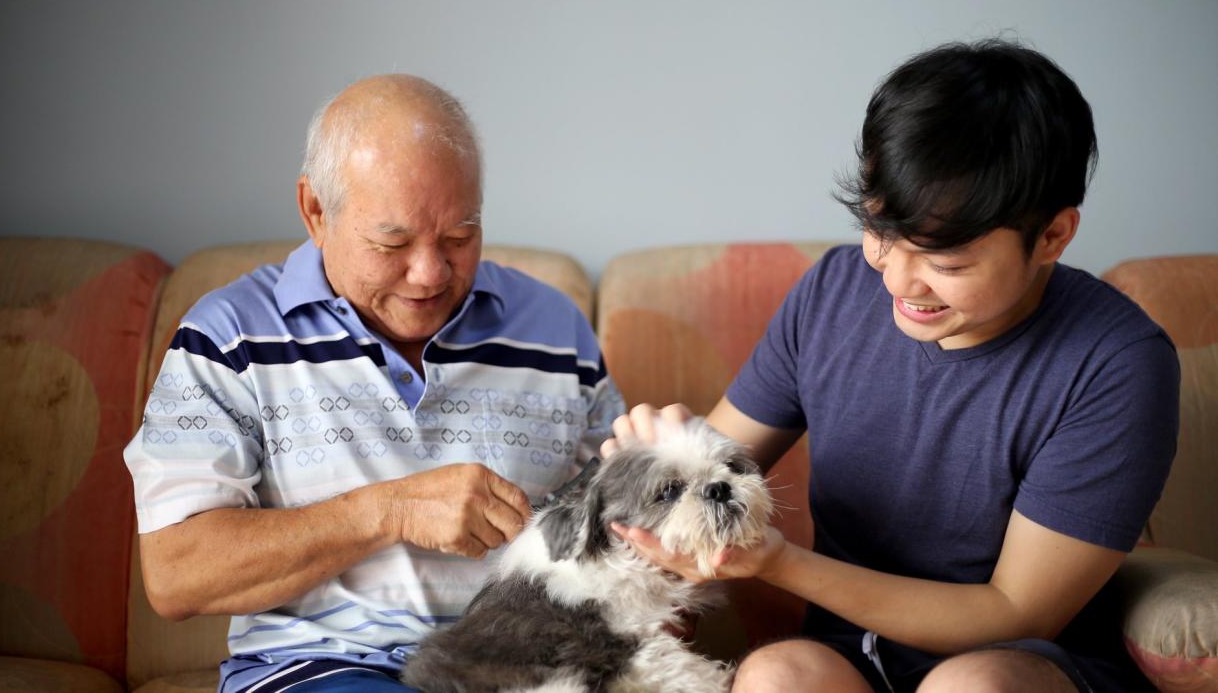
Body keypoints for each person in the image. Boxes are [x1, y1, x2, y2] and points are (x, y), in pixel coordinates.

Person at [603, 40, 1179, 692]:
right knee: (775, 675)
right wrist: (669, 454)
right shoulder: (834, 291)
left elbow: (1017, 610)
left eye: (947, 263)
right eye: (880, 231)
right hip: (853, 652)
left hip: (1024, 662)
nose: (899, 280)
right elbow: (726, 455)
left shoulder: (1117, 363)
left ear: (1052, 236)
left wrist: (780, 562)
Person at [123, 75, 624, 693]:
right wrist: (388, 511)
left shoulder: (555, 330)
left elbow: (618, 525)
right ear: (315, 211)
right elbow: (175, 574)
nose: (429, 273)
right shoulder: (227, 338)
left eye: (459, 238)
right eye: (393, 242)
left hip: (526, 671)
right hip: (322, 670)